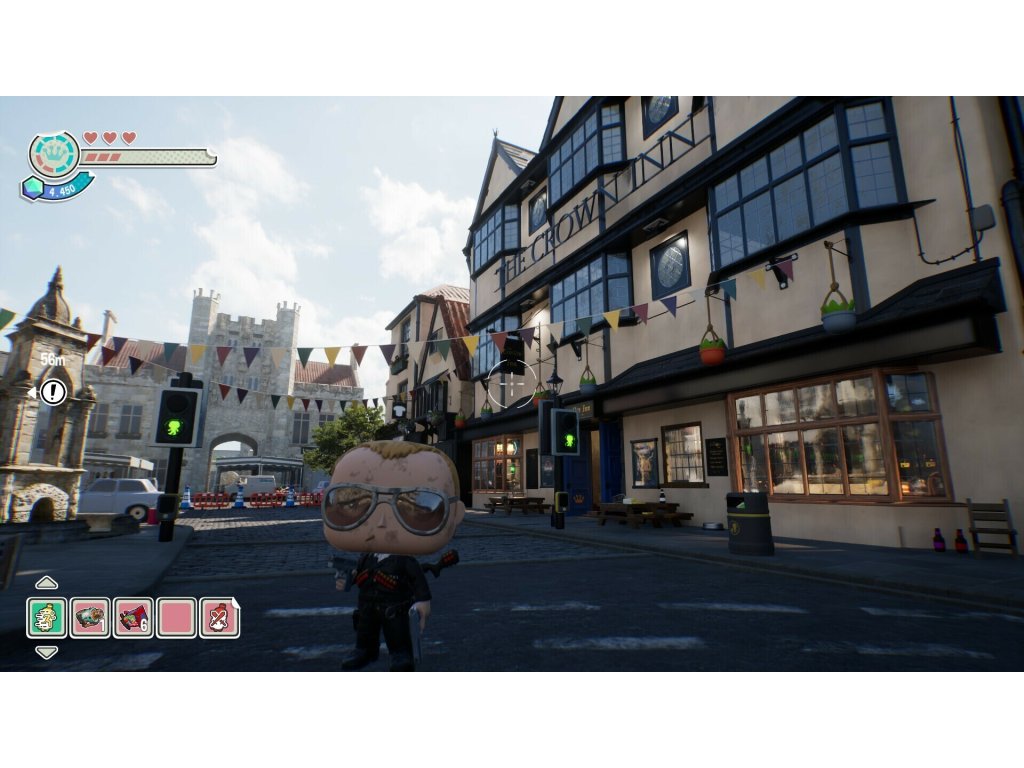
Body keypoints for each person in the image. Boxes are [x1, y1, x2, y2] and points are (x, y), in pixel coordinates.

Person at [323, 441, 464, 671]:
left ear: (455, 513)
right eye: (357, 504)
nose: (381, 521)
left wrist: (422, 602)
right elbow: (359, 573)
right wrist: (347, 580)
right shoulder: (368, 557)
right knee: (365, 630)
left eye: (412, 508)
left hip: (395, 606)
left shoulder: (404, 561)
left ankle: (400, 655)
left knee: (397, 633)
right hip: (367, 603)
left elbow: (418, 581)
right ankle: (364, 650)